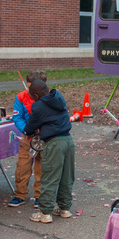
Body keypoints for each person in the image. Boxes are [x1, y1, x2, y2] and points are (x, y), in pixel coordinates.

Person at [22, 80, 75, 223]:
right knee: (66, 177)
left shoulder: (38, 106)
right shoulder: (58, 97)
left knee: (49, 177)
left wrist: (27, 131)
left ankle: (45, 212)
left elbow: (31, 124)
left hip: (54, 143)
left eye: (32, 97)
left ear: (36, 96)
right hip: (68, 141)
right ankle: (64, 208)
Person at [9, 70, 49, 208]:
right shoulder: (20, 97)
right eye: (28, 86)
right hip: (27, 137)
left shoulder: (49, 97)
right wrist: (26, 130)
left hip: (44, 137)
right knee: (22, 166)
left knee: (42, 167)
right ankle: (20, 194)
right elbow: (17, 117)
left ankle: (39, 195)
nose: (30, 90)